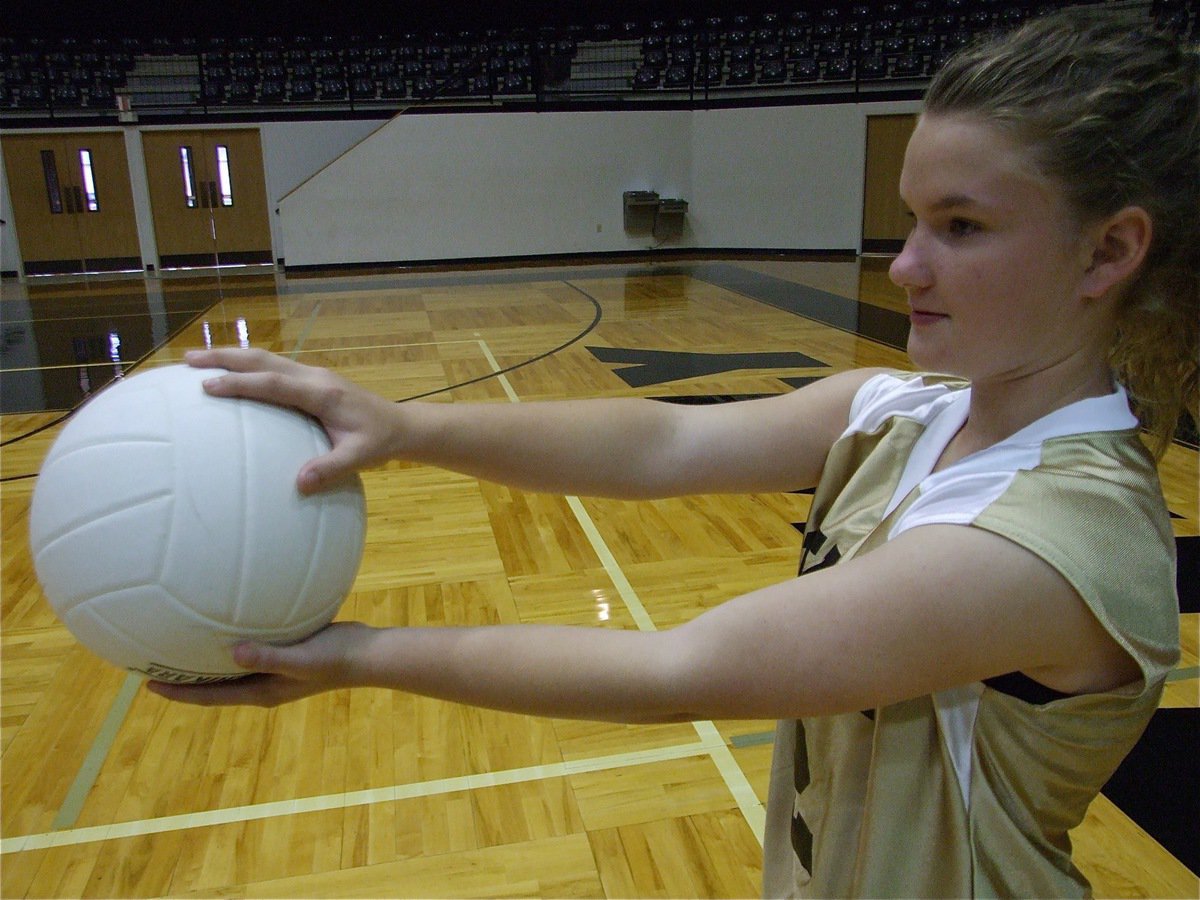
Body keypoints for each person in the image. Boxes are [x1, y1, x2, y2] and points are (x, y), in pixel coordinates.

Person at [148, 10, 1198, 897]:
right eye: (914, 219)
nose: (905, 265)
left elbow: (674, 668)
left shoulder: (1045, 542)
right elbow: (669, 438)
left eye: (962, 227)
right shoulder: (906, 410)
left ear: (1108, 250)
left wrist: (355, 657)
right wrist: (406, 427)